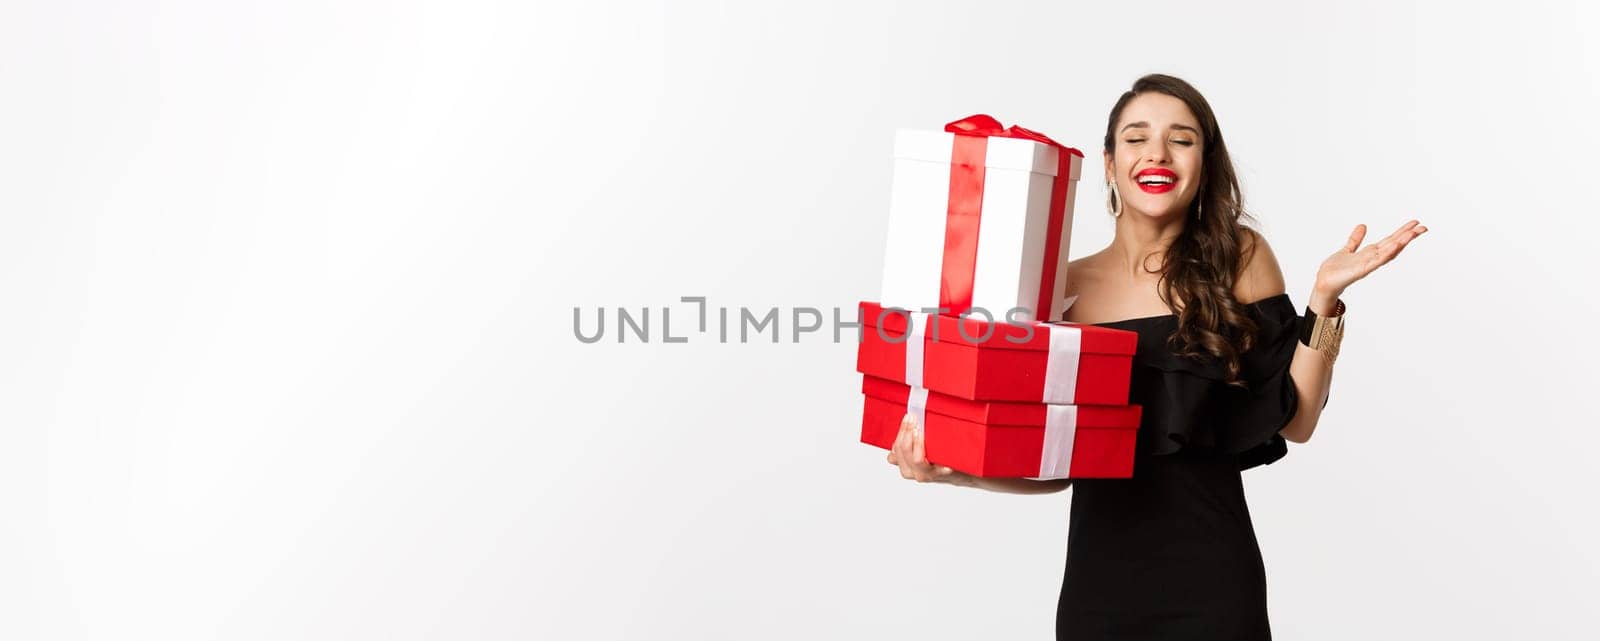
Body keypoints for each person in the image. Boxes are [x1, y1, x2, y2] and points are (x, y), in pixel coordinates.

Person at [885, 74, 1428, 640]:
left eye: (1183, 139)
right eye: (1137, 137)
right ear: (1108, 162)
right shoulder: (1060, 287)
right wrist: (955, 474)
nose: (1157, 153)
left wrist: (1324, 300)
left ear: (1205, 162)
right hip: (1099, 594)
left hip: (1216, 588)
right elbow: (1055, 471)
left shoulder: (1240, 259)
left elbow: (1298, 420)